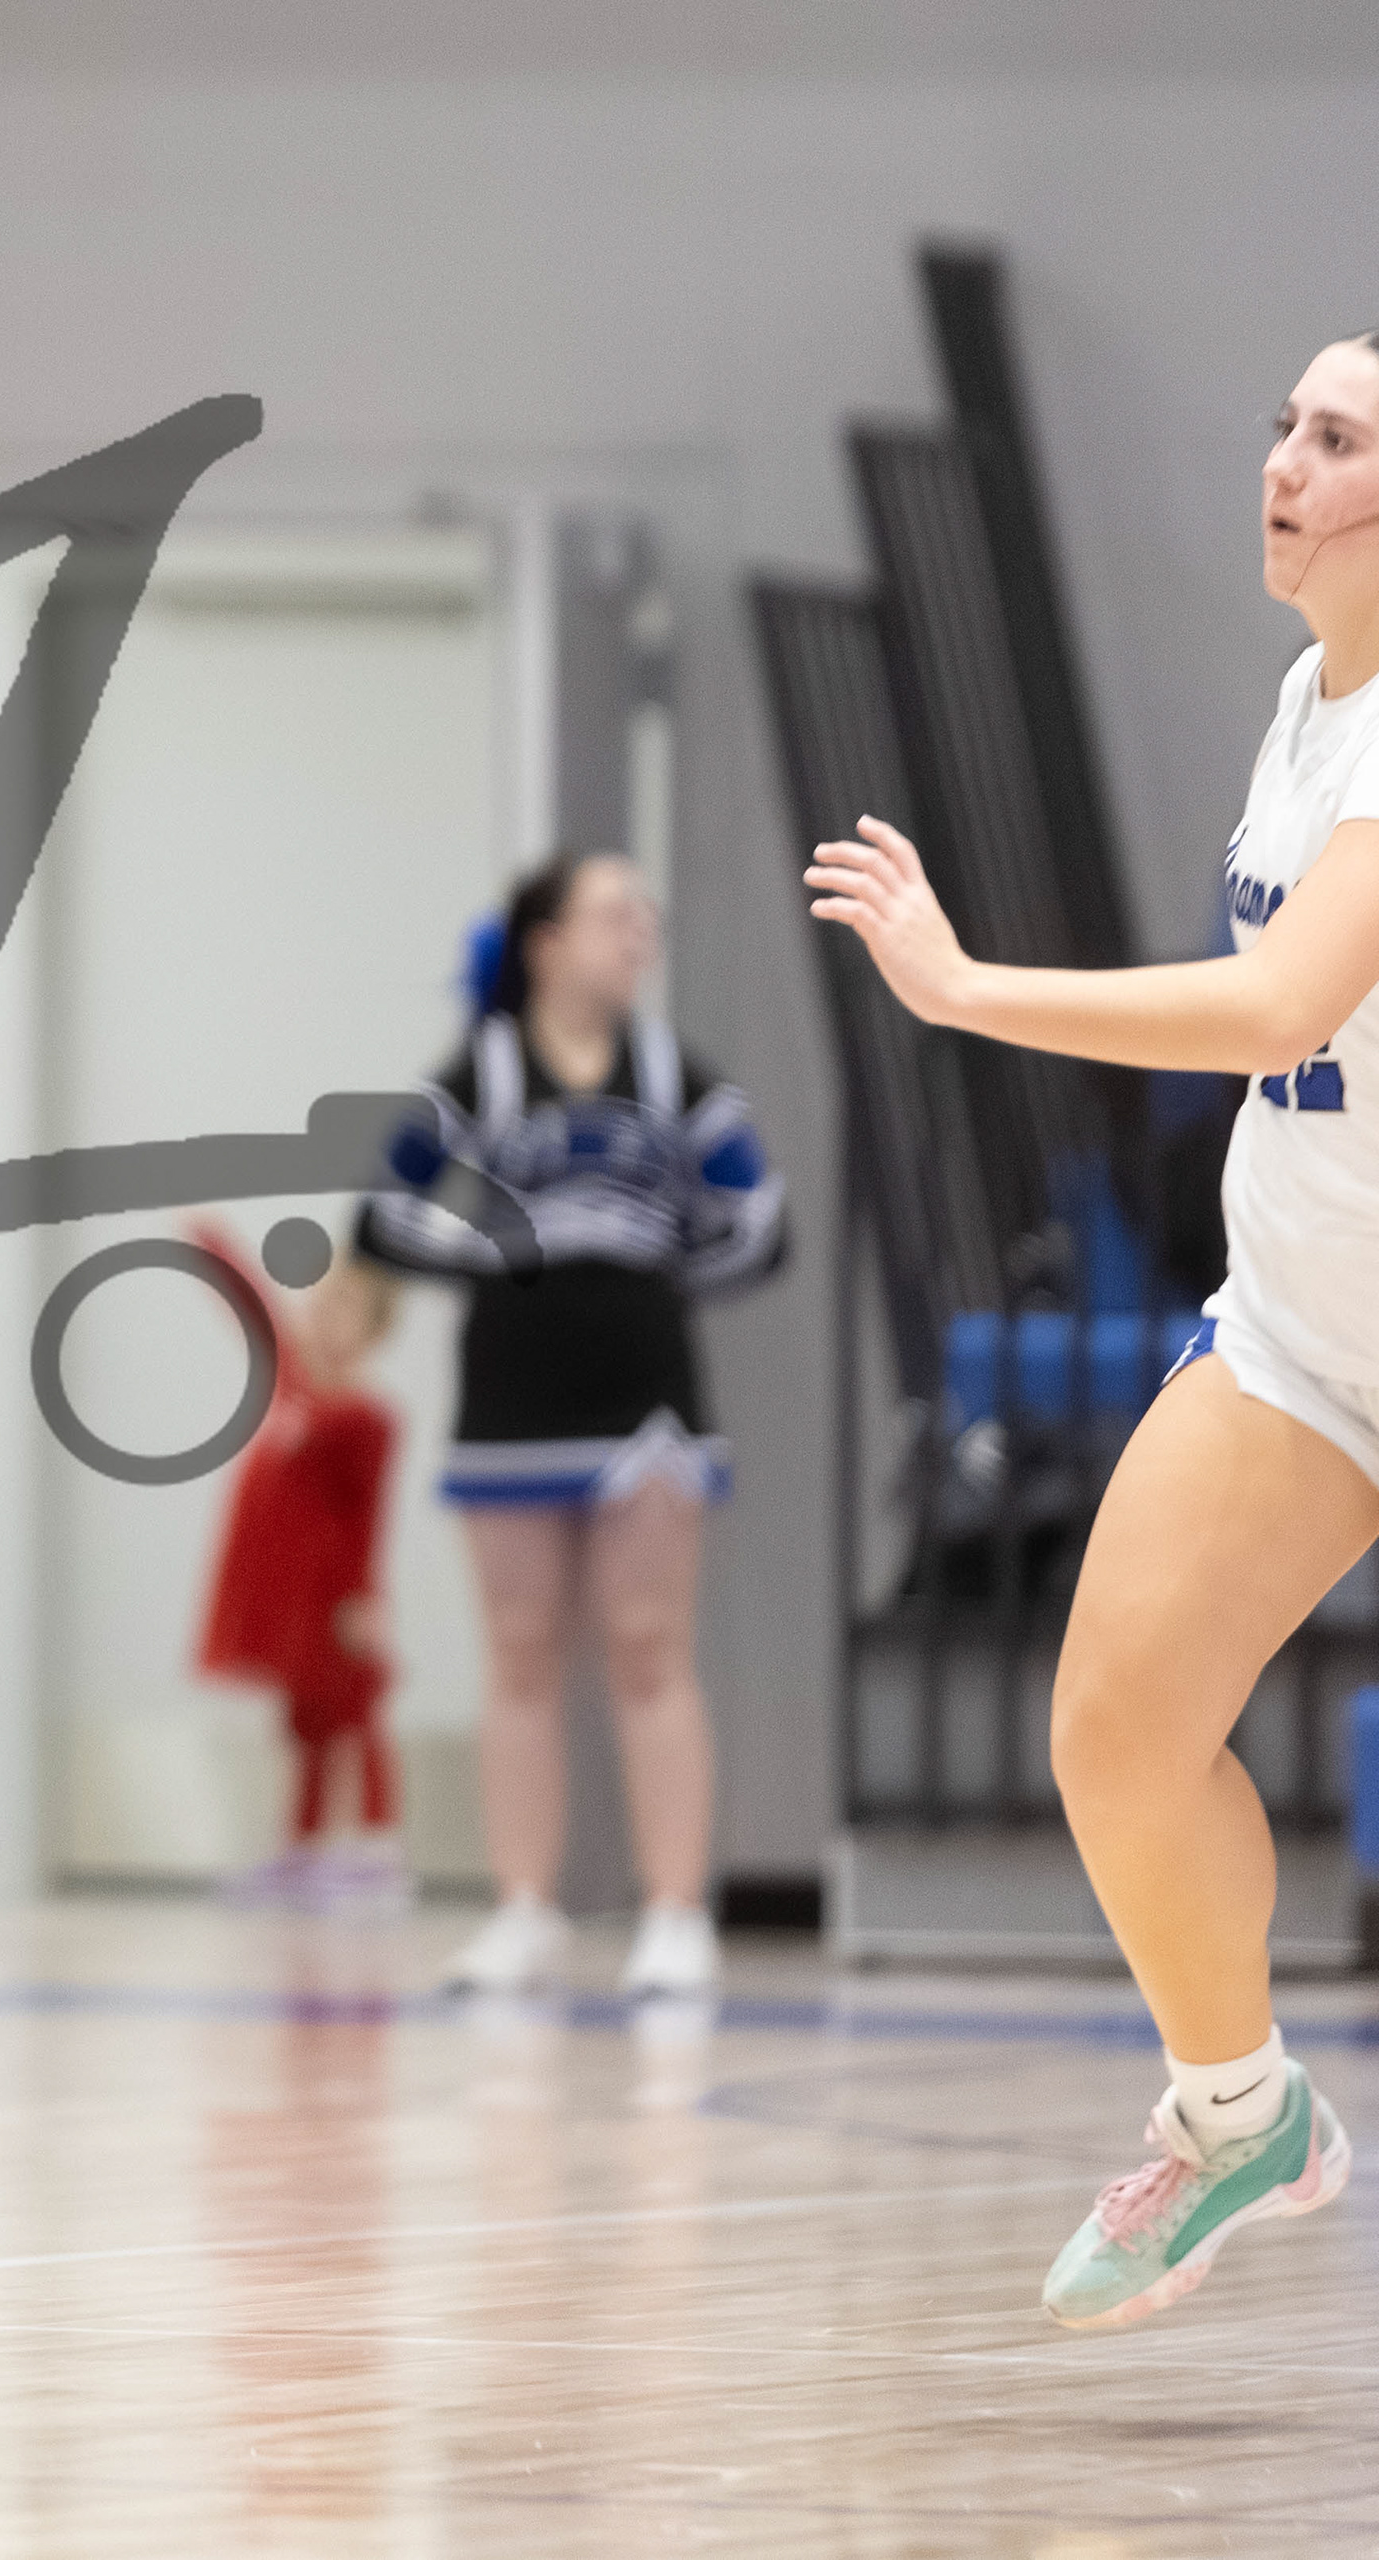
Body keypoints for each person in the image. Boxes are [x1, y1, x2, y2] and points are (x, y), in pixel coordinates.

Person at [805, 329, 1379, 2328]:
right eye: (1285, 425)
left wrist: (969, 989)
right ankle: (1244, 2118)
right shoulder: (1310, 700)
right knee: (1118, 1731)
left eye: (1337, 438)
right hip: (1309, 1331)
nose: (1283, 462)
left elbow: (1280, 1010)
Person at [359, 849, 786, 1996]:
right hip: (512, 1395)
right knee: (519, 1651)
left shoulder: (673, 1074)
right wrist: (504, 1256)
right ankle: (524, 1909)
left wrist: (645, 1265)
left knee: (650, 1646)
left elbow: (761, 1218)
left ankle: (675, 1913)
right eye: (610, 914)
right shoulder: (484, 1071)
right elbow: (384, 1206)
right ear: (544, 942)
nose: (636, 931)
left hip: (646, 1394)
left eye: (644, 915)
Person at [196, 1238, 406, 1909]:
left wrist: (363, 1599)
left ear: (375, 1331)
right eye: (321, 1303)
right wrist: (216, 1251)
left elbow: (367, 1516)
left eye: (345, 1308)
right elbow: (259, 1322)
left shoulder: (365, 1419)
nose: (324, 1317)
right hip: (294, 1604)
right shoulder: (296, 1393)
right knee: (305, 1725)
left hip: (337, 1602)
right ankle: (303, 1850)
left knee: (356, 1715)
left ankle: (378, 1849)